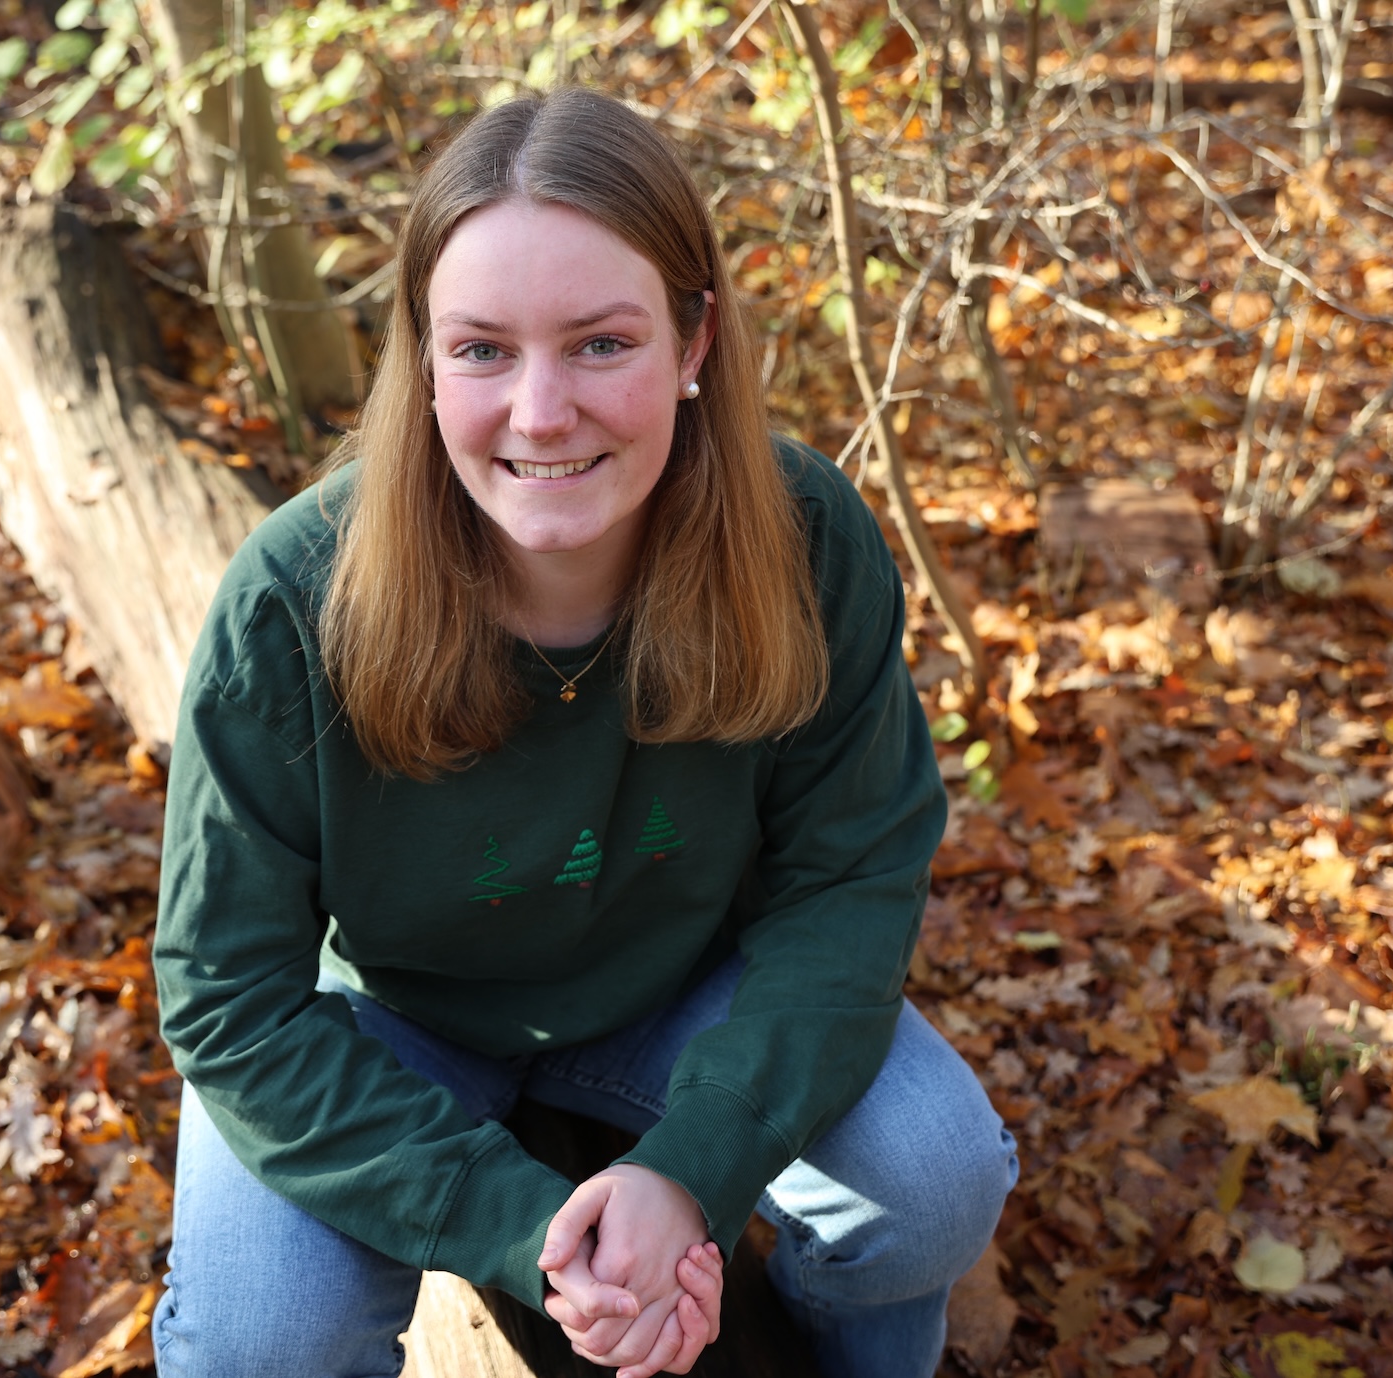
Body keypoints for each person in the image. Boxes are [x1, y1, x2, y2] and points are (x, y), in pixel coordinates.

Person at [150, 87, 1018, 1378]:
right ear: (423, 359)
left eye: (602, 343)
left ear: (693, 338)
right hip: (396, 1010)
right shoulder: (296, 599)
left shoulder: (802, 537)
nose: (541, 412)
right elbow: (229, 996)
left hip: (678, 983)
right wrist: (519, 1228)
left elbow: (851, 879)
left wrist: (692, 1166)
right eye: (483, 349)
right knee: (258, 1341)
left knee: (934, 1180)